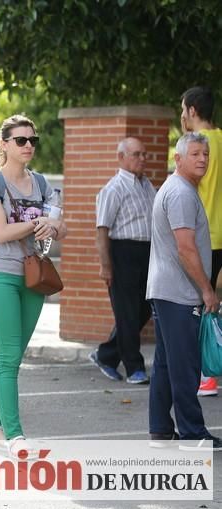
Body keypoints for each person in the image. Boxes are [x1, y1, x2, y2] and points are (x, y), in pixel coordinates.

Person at [0, 114, 66, 457]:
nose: (29, 145)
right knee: (10, 355)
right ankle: (14, 435)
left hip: (34, 276)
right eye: (21, 140)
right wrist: (39, 223)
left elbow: (63, 226)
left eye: (33, 140)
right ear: (4, 145)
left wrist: (54, 227)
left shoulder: (42, 183)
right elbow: (0, 232)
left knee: (13, 357)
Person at [146, 132, 221, 450]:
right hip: (178, 293)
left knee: (166, 362)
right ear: (178, 159)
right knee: (184, 365)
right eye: (194, 154)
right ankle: (192, 434)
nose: (202, 159)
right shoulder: (180, 193)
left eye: (205, 153)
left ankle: (161, 430)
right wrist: (207, 290)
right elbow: (186, 249)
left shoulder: (180, 189)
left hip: (167, 290)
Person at [90, 137, 155, 385]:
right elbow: (102, 230)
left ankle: (106, 355)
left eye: (144, 154)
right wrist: (106, 265)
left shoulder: (147, 185)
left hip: (147, 252)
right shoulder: (113, 188)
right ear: (121, 157)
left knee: (144, 308)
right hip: (122, 253)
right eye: (136, 154)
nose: (142, 159)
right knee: (126, 312)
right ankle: (134, 367)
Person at [180, 87, 222, 398]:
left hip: (202, 234)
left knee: (198, 305)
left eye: (183, 109)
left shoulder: (197, 147)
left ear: (192, 110)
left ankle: (205, 376)